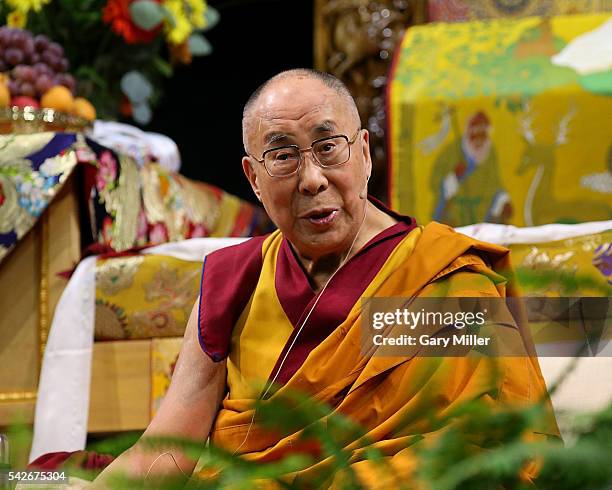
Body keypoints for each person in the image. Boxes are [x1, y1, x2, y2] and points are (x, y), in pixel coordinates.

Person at [43, 69, 558, 488]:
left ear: (363, 152)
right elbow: (170, 450)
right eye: (283, 155)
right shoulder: (237, 280)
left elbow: (478, 448)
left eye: (328, 146)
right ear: (253, 178)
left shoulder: (433, 274)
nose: (312, 178)